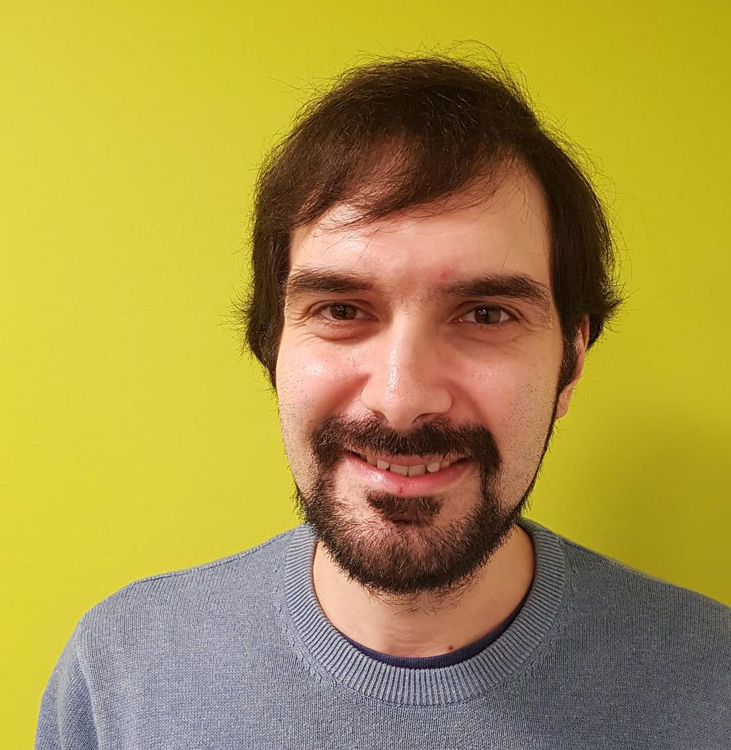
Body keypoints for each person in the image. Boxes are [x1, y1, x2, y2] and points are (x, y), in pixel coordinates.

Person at [36, 54, 730, 749]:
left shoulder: (713, 686)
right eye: (341, 309)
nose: (401, 401)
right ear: (272, 346)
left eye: (486, 315)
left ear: (570, 364)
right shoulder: (121, 678)